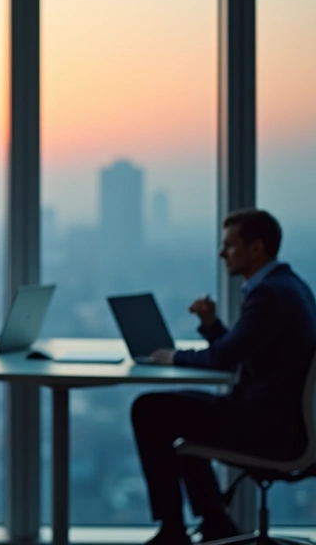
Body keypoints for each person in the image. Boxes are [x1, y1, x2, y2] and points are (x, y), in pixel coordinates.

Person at [133, 209, 316, 545]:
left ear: (256, 248)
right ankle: (214, 521)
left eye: (229, 246)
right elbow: (240, 350)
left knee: (148, 409)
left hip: (268, 428)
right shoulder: (289, 286)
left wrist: (173, 357)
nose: (222, 254)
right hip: (281, 422)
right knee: (177, 414)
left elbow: (224, 357)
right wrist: (211, 326)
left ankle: (174, 530)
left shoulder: (269, 295)